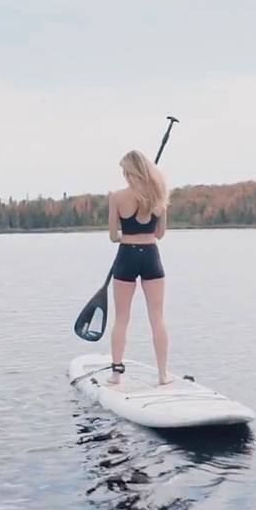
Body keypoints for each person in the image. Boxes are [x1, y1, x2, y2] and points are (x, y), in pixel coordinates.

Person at [107, 149, 171, 386]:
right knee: (157, 319)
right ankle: (163, 375)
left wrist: (127, 232)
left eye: (124, 170)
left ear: (129, 172)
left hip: (126, 257)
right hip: (152, 257)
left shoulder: (116, 197)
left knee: (121, 319)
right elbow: (160, 234)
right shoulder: (160, 195)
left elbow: (113, 236)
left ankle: (116, 374)